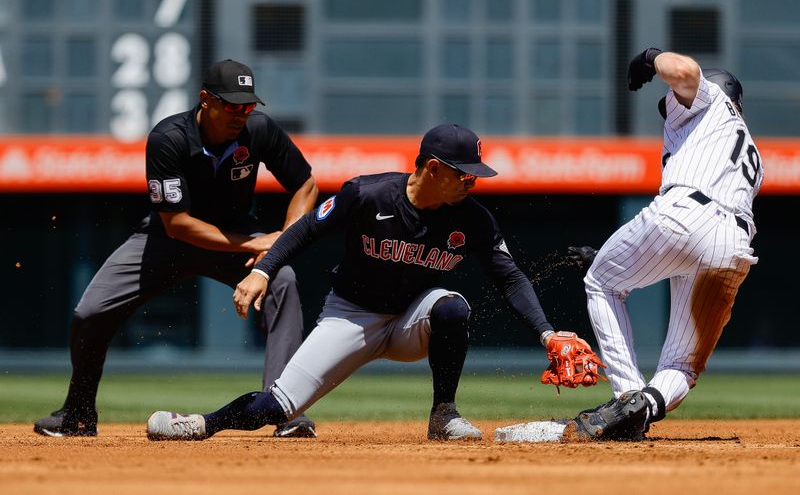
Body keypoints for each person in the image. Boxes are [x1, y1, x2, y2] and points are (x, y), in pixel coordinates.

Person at [145, 123, 596, 442]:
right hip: (351, 317)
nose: (471, 182)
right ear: (433, 168)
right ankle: (200, 425)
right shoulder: (368, 193)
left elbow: (510, 277)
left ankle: (444, 414)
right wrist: (263, 269)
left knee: (452, 306)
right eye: (463, 173)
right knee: (275, 407)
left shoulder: (474, 219)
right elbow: (305, 230)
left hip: (411, 321)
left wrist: (546, 331)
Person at [34, 59, 320, 438]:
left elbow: (306, 186)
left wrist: (279, 245)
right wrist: (256, 242)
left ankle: (286, 410)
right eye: (232, 105)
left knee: (282, 280)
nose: (241, 113)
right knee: (90, 311)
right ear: (205, 99)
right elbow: (178, 223)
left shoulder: (258, 130)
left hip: (234, 236)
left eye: (247, 105)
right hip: (164, 239)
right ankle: (79, 413)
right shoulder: (169, 137)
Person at [563, 48, 763, 442]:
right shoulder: (749, 151)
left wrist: (651, 56)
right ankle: (645, 407)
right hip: (733, 245)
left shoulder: (712, 101)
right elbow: (686, 247)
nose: (671, 105)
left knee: (601, 283)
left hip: (686, 212)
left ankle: (625, 397)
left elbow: (685, 71)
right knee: (684, 366)